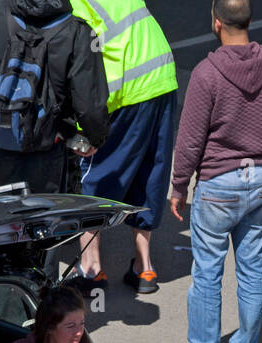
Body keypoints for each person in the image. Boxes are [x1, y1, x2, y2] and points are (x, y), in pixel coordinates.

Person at [164, 0, 262, 343]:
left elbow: (189, 140)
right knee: (253, 272)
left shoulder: (207, 74)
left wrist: (178, 185)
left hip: (219, 184)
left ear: (216, 23)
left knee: (207, 274)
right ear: (248, 21)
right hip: (259, 182)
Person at [68, 0, 179, 295]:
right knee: (149, 171)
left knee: (95, 176)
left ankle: (91, 270)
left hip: (126, 87)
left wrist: (85, 131)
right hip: (161, 77)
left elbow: (84, 65)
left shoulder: (75, 4)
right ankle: (144, 268)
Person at [0, 0, 110, 196]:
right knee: (44, 220)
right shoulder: (77, 31)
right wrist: (95, 139)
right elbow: (89, 106)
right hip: (47, 152)